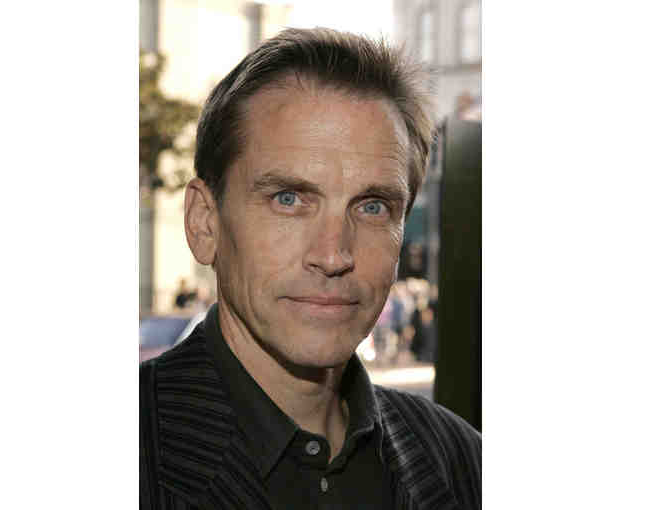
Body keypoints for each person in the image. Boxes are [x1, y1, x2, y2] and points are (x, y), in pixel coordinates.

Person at [140, 27, 481, 509]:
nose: (334, 254)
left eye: (372, 207)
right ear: (204, 223)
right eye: (289, 199)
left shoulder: (464, 463)